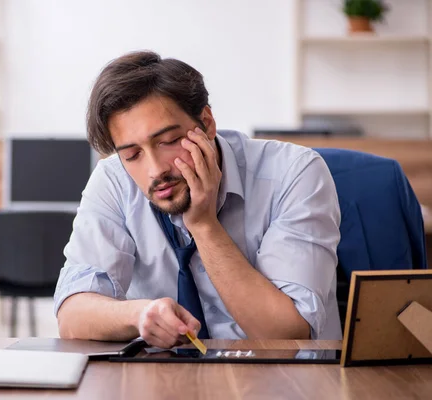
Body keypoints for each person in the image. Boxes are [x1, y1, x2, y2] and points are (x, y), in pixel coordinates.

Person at [53, 51, 342, 349]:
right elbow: (72, 317)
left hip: (287, 382)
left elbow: (288, 337)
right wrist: (138, 314)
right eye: (132, 155)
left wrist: (203, 224)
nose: (155, 170)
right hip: (168, 381)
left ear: (206, 123)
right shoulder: (114, 180)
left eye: (168, 142)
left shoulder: (294, 172)